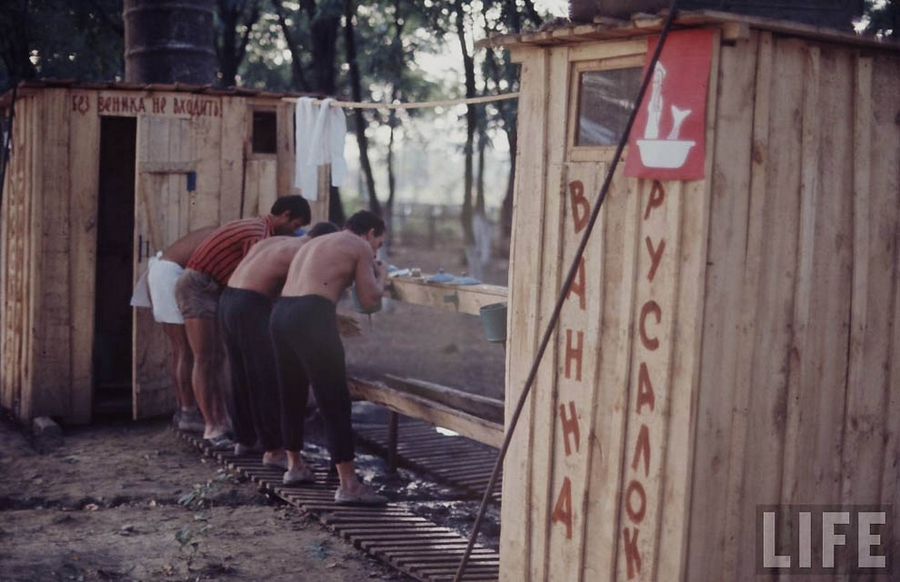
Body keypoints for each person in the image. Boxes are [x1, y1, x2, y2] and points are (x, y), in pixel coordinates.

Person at [175, 195, 312, 449]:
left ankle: (221, 420)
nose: (294, 232)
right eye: (294, 225)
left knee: (217, 357)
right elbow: (251, 279)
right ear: (285, 215)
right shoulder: (257, 234)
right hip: (198, 285)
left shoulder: (262, 230)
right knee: (204, 357)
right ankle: (211, 426)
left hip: (216, 287)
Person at [270, 210, 388, 504]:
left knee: (290, 392)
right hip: (311, 315)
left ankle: (294, 465)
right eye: (379, 243)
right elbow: (371, 300)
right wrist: (381, 274)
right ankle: (349, 485)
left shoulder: (314, 243)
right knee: (334, 398)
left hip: (281, 313)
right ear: (370, 232)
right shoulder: (359, 246)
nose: (376, 250)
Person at [220, 221, 340, 471]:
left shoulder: (276, 241)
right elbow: (301, 293)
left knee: (242, 374)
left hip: (229, 299)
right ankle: (274, 449)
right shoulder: (303, 253)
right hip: (251, 304)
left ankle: (245, 439)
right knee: (266, 377)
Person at [131, 226, 217, 432]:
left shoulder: (229, 232)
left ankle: (184, 409)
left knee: (181, 350)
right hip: (168, 275)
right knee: (186, 350)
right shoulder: (237, 237)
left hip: (164, 271)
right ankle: (188, 412)